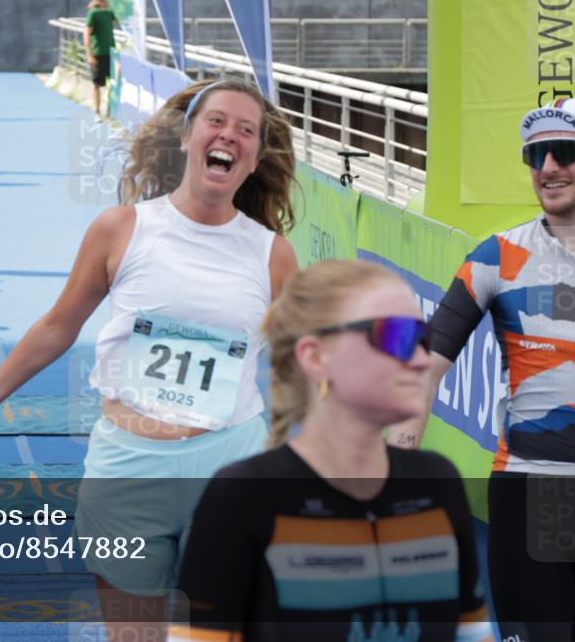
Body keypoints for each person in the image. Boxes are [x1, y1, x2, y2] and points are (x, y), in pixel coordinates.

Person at [0, 79, 299, 640]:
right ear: (187, 136)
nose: (229, 135)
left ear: (254, 159)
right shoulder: (121, 228)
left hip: (230, 465)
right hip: (128, 467)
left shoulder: (272, 254)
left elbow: (305, 363)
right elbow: (58, 326)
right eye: (217, 121)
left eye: (246, 130)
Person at [172, 259, 493, 642]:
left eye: (423, 340)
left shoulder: (437, 482)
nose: (423, 359)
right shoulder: (242, 497)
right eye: (396, 337)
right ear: (315, 356)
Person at [388, 97, 575, 642]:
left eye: (565, 151)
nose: (548, 168)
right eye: (535, 155)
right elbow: (425, 365)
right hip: (537, 488)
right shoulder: (496, 257)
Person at [84, 0, 115, 118]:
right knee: (97, 84)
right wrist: (90, 55)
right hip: (98, 54)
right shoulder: (93, 13)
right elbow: (86, 34)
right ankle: (97, 111)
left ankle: (110, 110)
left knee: (111, 83)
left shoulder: (108, 13)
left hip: (111, 54)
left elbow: (120, 18)